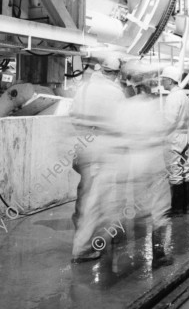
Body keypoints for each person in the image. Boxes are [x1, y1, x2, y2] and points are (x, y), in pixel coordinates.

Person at [70, 54, 126, 262]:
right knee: (97, 197)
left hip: (83, 144)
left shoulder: (83, 88)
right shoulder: (115, 93)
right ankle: (84, 247)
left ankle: (86, 230)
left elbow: (73, 114)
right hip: (103, 147)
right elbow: (121, 123)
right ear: (116, 73)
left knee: (84, 191)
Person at [118, 69, 173, 268]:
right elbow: (163, 131)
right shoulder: (153, 107)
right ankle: (158, 254)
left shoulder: (126, 107)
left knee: (135, 207)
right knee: (160, 209)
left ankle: (130, 252)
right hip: (154, 160)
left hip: (133, 162)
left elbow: (120, 134)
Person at [161, 65, 189, 216]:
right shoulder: (183, 96)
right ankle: (186, 207)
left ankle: (177, 209)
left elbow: (169, 121)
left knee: (174, 172)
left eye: (164, 80)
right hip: (184, 137)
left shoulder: (173, 97)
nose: (162, 82)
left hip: (173, 138)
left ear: (170, 81)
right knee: (184, 170)